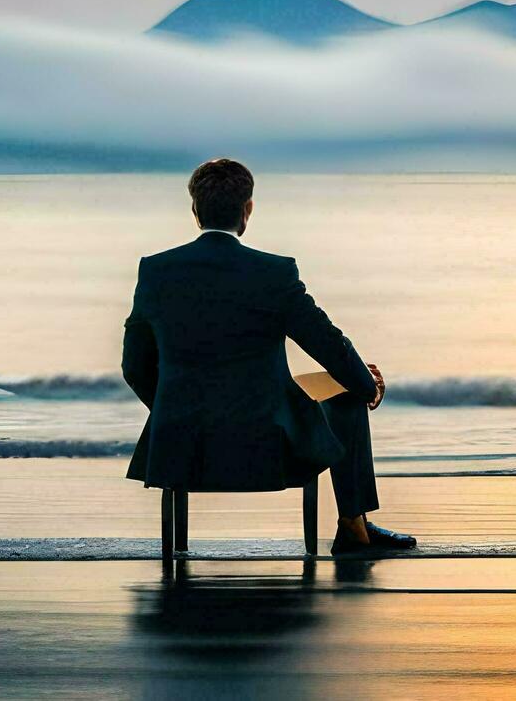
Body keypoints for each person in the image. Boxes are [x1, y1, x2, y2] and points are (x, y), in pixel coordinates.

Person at [121, 157, 415, 556]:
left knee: (333, 383)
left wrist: (174, 410)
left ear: (195, 211)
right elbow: (326, 341)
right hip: (267, 443)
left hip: (183, 441)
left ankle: (355, 527)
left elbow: (134, 366)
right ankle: (353, 526)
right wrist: (367, 385)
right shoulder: (273, 273)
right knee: (347, 389)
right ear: (248, 210)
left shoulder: (156, 272)